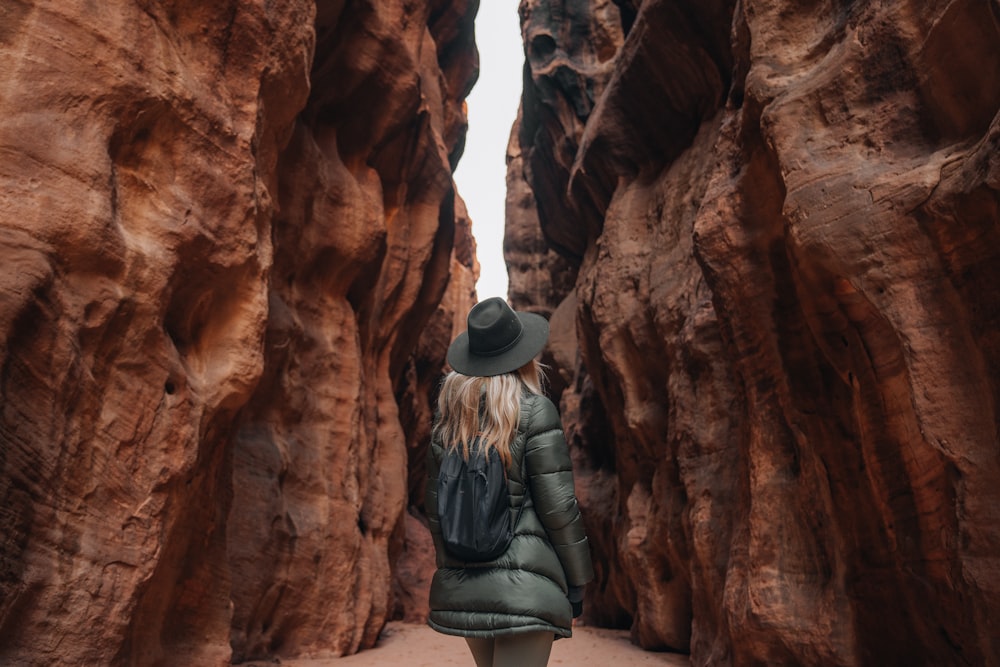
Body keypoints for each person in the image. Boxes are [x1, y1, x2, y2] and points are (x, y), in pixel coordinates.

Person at [424, 297, 595, 667]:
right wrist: (578, 580)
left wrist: (454, 567)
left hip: (463, 583)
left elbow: (436, 509)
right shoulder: (534, 411)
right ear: (523, 356)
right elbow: (559, 507)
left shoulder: (448, 423)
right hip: (526, 586)